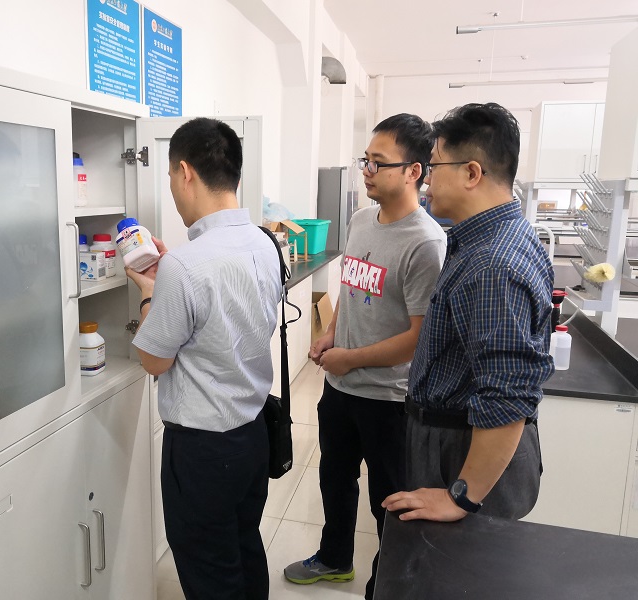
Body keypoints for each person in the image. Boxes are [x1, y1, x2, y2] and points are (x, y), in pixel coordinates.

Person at [284, 114, 447, 599]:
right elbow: (351, 289)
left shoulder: (425, 243)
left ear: (413, 171)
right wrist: (331, 334)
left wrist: (351, 359)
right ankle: (335, 559)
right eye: (366, 160)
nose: (367, 171)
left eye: (379, 163)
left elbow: (417, 338)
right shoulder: (359, 220)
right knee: (334, 480)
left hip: (388, 400)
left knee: (388, 500)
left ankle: (388, 583)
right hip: (341, 389)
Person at [127, 117, 282, 600]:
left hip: (203, 452)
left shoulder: (184, 265)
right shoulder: (264, 242)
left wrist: (150, 294)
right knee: (243, 546)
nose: (173, 188)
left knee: (210, 571)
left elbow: (153, 360)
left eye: (171, 175)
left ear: (186, 172)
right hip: (253, 435)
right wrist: (169, 282)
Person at [382, 103, 554, 524]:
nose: (426, 180)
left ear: (472, 173)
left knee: (459, 561)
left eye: (434, 166)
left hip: (462, 451)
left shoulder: (493, 263)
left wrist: (461, 496)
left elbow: (507, 396)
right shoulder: (489, 238)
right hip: (451, 440)